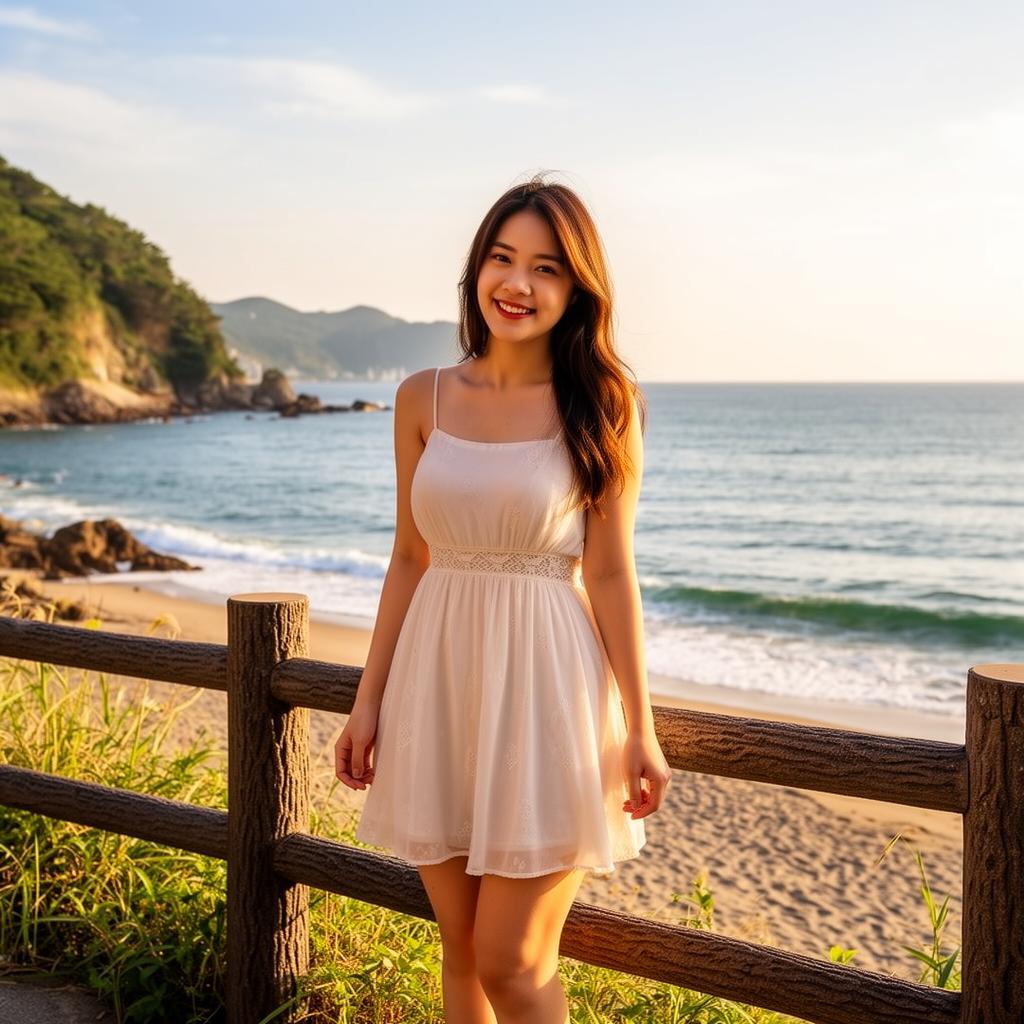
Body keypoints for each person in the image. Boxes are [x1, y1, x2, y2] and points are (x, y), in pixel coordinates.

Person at [335, 173, 671, 1023]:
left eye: (547, 268)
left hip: (547, 685)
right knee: (459, 955)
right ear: (476, 270)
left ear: (578, 287)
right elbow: (410, 556)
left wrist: (642, 726)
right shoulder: (424, 397)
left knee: (511, 961)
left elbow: (609, 573)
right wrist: (367, 703)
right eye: (502, 258)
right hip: (438, 679)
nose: (518, 284)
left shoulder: (604, 403)